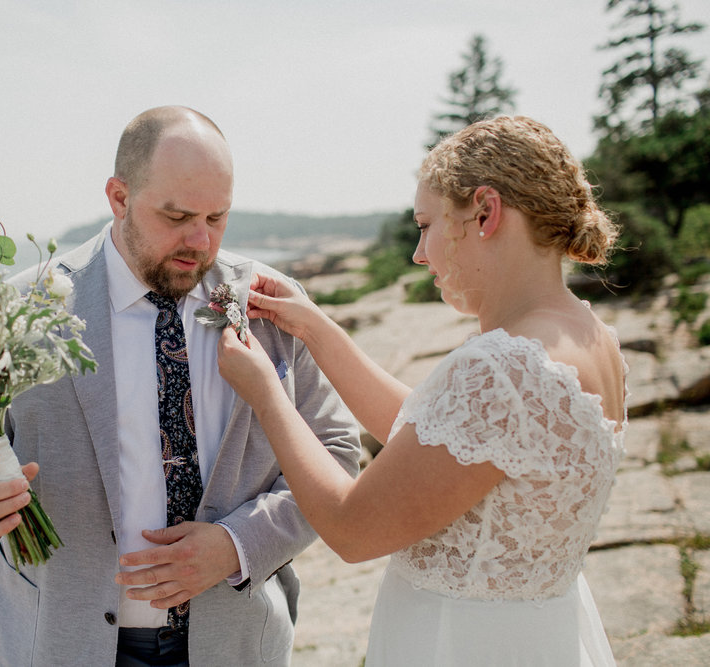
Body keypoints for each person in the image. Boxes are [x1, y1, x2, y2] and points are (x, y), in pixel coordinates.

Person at [0, 105, 360, 666]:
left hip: (235, 643)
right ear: (119, 197)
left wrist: (237, 545)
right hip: (61, 641)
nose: (201, 242)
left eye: (217, 218)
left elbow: (336, 455)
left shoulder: (270, 302)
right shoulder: (19, 308)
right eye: (176, 216)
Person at [217, 115, 626, 666]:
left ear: (485, 213)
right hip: (537, 637)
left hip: (463, 647)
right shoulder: (589, 337)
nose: (418, 252)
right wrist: (315, 327)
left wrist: (266, 392)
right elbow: (439, 449)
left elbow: (352, 530)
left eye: (426, 224)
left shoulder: (502, 369)